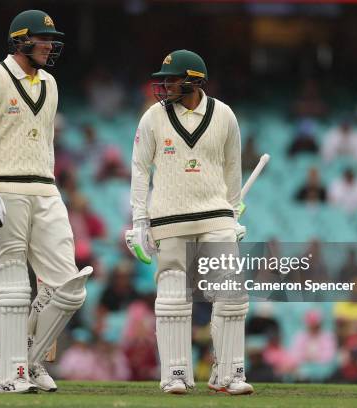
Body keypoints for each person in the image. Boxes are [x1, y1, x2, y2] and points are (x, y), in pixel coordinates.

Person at [0, 9, 92, 394]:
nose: (50, 46)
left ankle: (28, 361)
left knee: (70, 286)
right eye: (43, 39)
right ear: (21, 40)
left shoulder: (50, 83)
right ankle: (11, 374)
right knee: (12, 286)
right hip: (5, 189)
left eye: (52, 40)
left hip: (46, 189)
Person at [126, 50, 252, 395]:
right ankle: (176, 373)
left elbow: (232, 168)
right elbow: (140, 168)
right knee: (172, 295)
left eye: (172, 78)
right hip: (169, 218)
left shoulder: (224, 115)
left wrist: (233, 208)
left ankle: (229, 373)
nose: (164, 85)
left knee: (232, 293)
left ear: (194, 80)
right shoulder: (153, 117)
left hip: (216, 214)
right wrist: (140, 219)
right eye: (163, 79)